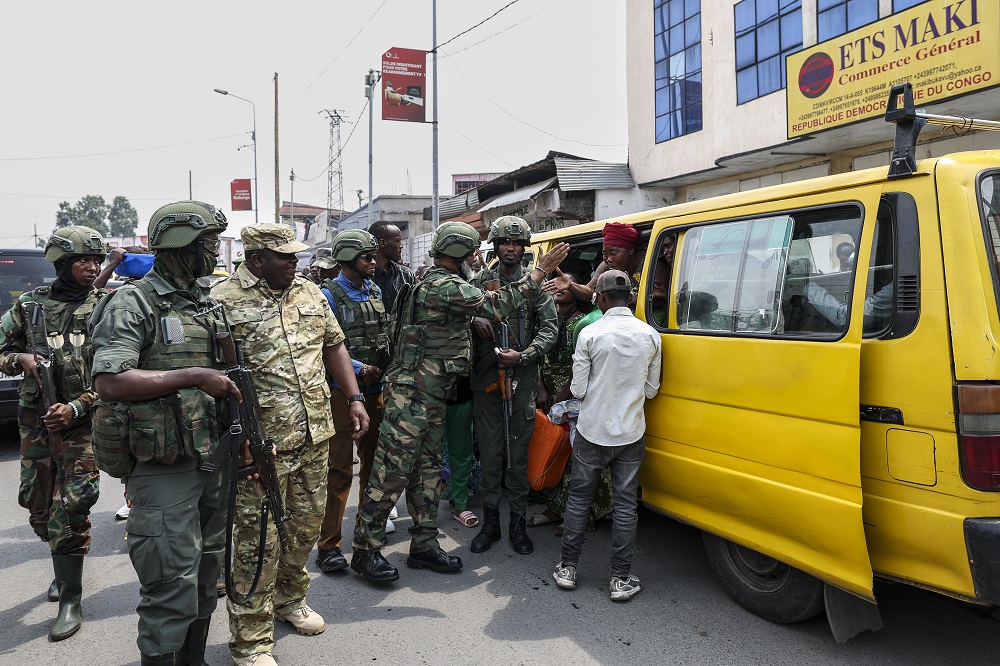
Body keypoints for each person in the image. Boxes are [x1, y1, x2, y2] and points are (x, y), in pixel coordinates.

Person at [351, 221, 569, 583]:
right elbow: (496, 305)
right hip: (412, 396)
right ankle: (365, 550)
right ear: (456, 253)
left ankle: (423, 545)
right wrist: (539, 273)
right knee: (390, 474)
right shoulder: (443, 285)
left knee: (428, 473)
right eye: (470, 253)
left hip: (434, 393)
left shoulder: (447, 282)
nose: (475, 258)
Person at [89, 201, 240, 665]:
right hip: (164, 466)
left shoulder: (207, 302)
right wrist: (192, 375)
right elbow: (109, 381)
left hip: (213, 456)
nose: (214, 252)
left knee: (207, 573)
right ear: (179, 246)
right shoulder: (132, 302)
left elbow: (233, 375)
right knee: (170, 582)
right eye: (207, 244)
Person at [211, 223, 369, 666]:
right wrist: (234, 436)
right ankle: (251, 640)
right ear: (258, 260)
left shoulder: (309, 293)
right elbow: (208, 379)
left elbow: (334, 346)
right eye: (287, 257)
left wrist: (354, 397)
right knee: (255, 544)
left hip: (315, 434)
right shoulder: (221, 302)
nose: (296, 262)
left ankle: (289, 600)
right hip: (260, 448)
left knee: (302, 529)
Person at [0, 226, 108, 642]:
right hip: (36, 419)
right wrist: (19, 357)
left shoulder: (105, 307)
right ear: (61, 264)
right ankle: (61, 555)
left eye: (96, 261)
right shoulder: (30, 306)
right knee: (37, 505)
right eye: (83, 260)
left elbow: (118, 370)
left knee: (73, 503)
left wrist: (78, 405)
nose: (92, 267)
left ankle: (70, 598)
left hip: (84, 422)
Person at [552, 269, 662, 603]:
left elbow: (578, 389)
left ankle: (568, 569)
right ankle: (620, 578)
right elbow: (652, 391)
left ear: (599, 298)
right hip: (630, 433)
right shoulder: (651, 335)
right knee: (626, 505)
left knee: (579, 499)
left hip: (592, 431)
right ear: (630, 297)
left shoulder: (590, 333)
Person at [470, 216, 557, 556]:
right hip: (486, 380)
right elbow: (455, 315)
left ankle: (517, 523)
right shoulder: (479, 282)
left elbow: (549, 328)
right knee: (491, 455)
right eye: (505, 242)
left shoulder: (533, 283)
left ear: (524, 248)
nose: (511, 247)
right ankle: (491, 522)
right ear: (496, 246)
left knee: (517, 457)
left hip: (521, 380)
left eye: (517, 243)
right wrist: (473, 319)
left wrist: (523, 355)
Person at [315, 230, 390, 573]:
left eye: (373, 257)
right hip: (341, 395)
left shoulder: (373, 291)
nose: (373, 263)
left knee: (373, 472)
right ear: (347, 260)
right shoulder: (327, 296)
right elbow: (323, 347)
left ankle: (365, 538)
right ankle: (329, 545)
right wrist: (361, 369)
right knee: (339, 470)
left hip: (376, 394)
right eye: (366, 258)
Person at [529, 273, 614, 534]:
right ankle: (556, 507)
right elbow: (538, 358)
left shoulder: (583, 323)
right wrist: (541, 388)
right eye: (554, 285)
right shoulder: (545, 319)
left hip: (572, 395)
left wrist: (560, 398)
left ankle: (576, 514)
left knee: (575, 455)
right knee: (552, 449)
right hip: (547, 394)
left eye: (566, 285)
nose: (558, 288)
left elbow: (580, 368)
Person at [543, 222, 644, 306]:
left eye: (614, 253)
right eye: (605, 254)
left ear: (630, 251)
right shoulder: (606, 266)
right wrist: (570, 285)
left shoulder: (648, 264)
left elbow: (655, 298)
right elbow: (591, 292)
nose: (609, 259)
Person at [369, 221, 415, 314]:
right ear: (382, 243)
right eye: (398, 241)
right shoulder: (364, 276)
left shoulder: (406, 276)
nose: (401, 246)